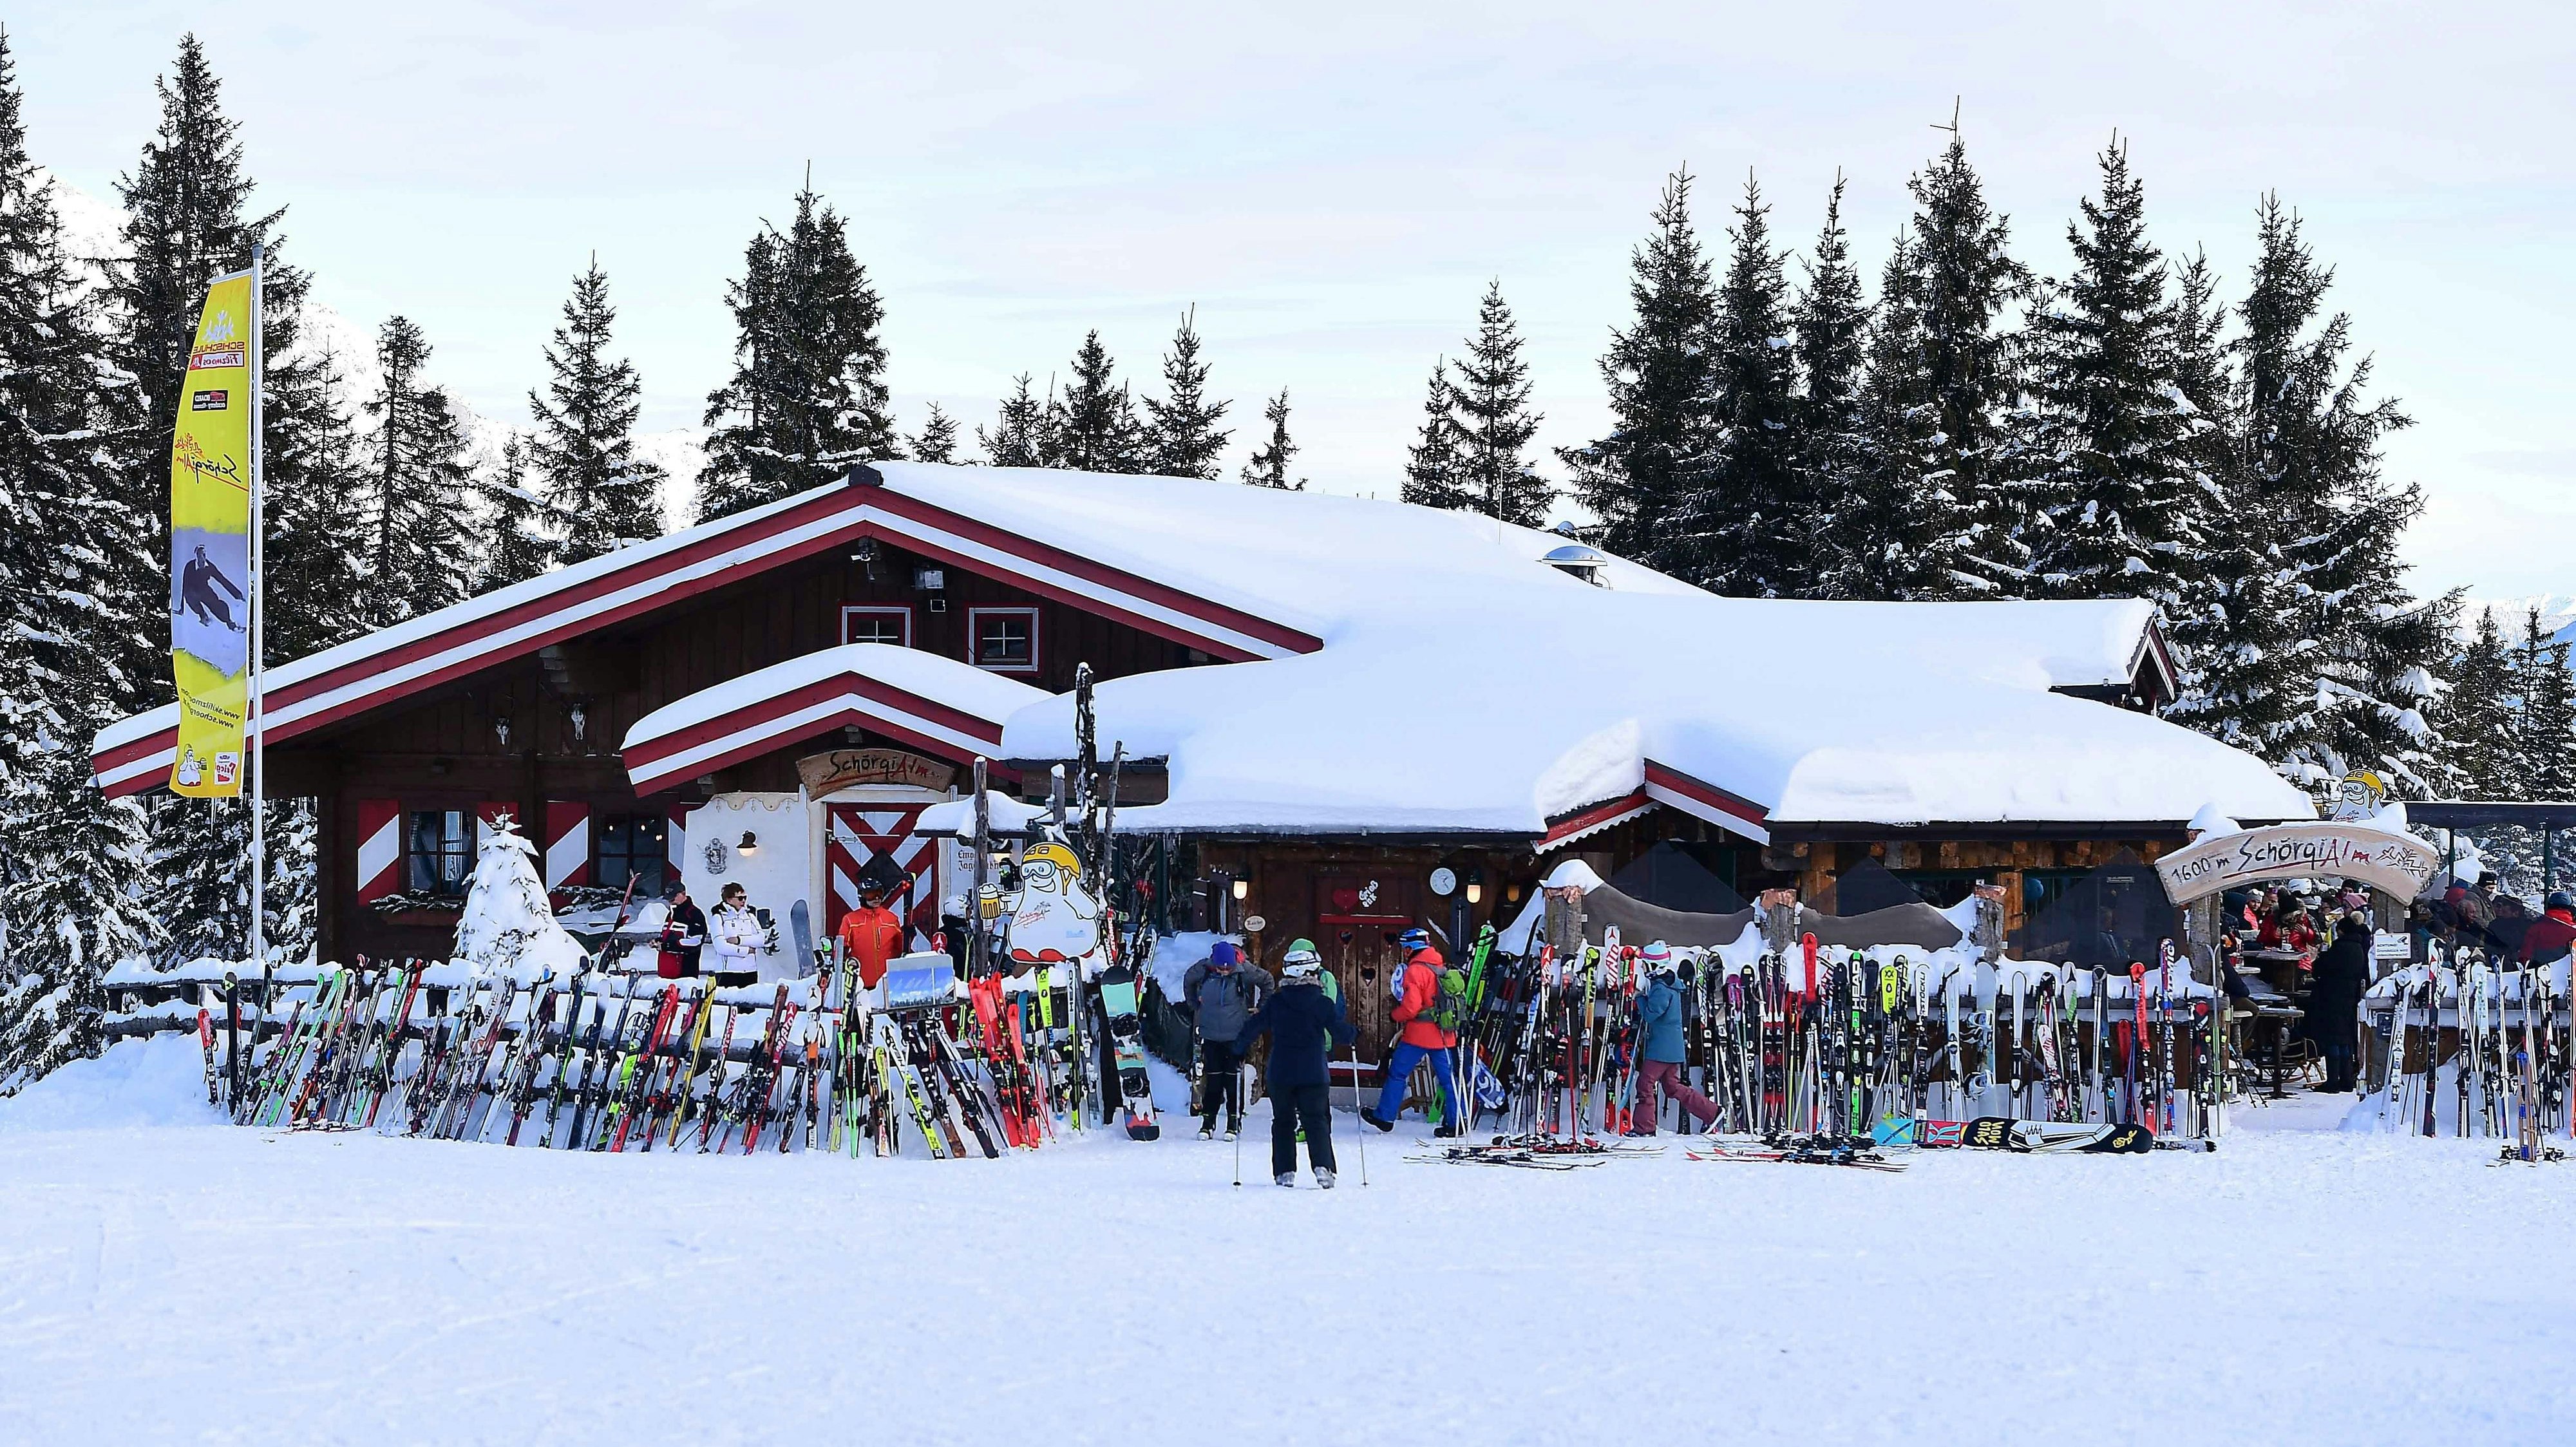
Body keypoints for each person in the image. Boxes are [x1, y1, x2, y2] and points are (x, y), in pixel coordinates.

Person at [1233, 944, 1355, 1187]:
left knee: (1283, 1121)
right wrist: (1353, 1034)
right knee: (1316, 1119)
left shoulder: (1277, 1003)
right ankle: (1323, 1168)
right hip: (1313, 1072)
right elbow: (1340, 1033)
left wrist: (1237, 1049)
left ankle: (1284, 1172)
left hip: (1281, 1072)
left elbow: (1253, 1026)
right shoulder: (1322, 1003)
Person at [1361, 927, 1461, 1137]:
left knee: (1398, 1073)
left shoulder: (1414, 971)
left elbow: (1411, 1007)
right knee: (1449, 1079)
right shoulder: (1440, 966)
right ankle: (1456, 1123)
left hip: (1418, 1035)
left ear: (1410, 948)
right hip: (1444, 1034)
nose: (1404, 951)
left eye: (1405, 947)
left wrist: (1395, 1016)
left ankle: (1385, 1117)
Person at [1182, 940, 1273, 1140]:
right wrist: (1193, 1004)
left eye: (1228, 968)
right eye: (1221, 968)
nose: (1224, 971)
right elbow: (1188, 980)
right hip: (1211, 1034)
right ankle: (1208, 1122)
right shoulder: (1204, 968)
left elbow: (1267, 981)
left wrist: (1261, 1008)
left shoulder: (1244, 970)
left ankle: (1234, 1121)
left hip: (1236, 1036)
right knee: (1213, 1079)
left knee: (1233, 1079)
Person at [1629, 942, 1718, 1135]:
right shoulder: (1667, 984)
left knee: (1645, 1084)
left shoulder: (1661, 988)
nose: (1643, 968)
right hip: (1671, 1047)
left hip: (1662, 1048)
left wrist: (1639, 998)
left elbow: (1652, 1014)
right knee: (1672, 1087)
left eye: (1645, 964)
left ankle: (1644, 1128)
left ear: (1654, 966)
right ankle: (1712, 1112)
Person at [2307, 905, 2372, 1092]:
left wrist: (2320, 958)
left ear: (2341, 931)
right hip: (2350, 997)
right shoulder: (2360, 949)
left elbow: (2319, 969)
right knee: (2346, 1039)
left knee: (2333, 1039)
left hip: (2333, 997)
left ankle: (2333, 1081)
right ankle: (2346, 1079)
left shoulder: (2339, 949)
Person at [834, 870, 908, 990]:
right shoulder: (850, 920)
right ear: (862, 896)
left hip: (888, 982)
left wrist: (907, 936)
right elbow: (842, 951)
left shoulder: (891, 918)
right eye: (871, 895)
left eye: (879, 894)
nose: (877, 898)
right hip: (861, 983)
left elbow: (901, 949)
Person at [706, 882, 766, 985]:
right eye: (740, 898)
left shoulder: (750, 916)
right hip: (728, 972)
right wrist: (747, 950)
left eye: (745, 898)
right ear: (729, 900)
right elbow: (721, 946)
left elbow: (761, 939)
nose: (743, 901)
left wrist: (739, 940)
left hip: (750, 971)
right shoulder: (719, 917)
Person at [656, 885, 706, 978]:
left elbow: (695, 941)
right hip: (666, 969)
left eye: (673, 898)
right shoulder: (671, 914)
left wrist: (668, 946)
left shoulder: (694, 914)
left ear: (683, 894)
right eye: (668, 899)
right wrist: (658, 941)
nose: (670, 901)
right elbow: (669, 935)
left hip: (685, 971)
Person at [2517, 891, 2576, 967]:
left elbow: (2525, 955)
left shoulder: (2535, 929)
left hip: (2540, 973)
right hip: (2569, 974)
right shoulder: (2573, 931)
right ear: (2571, 909)